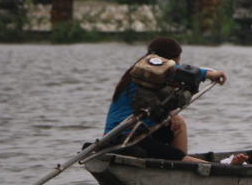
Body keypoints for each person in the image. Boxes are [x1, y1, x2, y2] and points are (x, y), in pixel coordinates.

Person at [104, 37, 244, 164]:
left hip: (135, 132)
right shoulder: (150, 70)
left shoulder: (140, 72)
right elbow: (177, 71)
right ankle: (219, 166)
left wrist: (171, 112)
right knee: (176, 155)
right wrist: (209, 74)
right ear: (171, 59)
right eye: (178, 59)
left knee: (179, 122)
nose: (179, 62)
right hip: (125, 137)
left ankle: (181, 165)